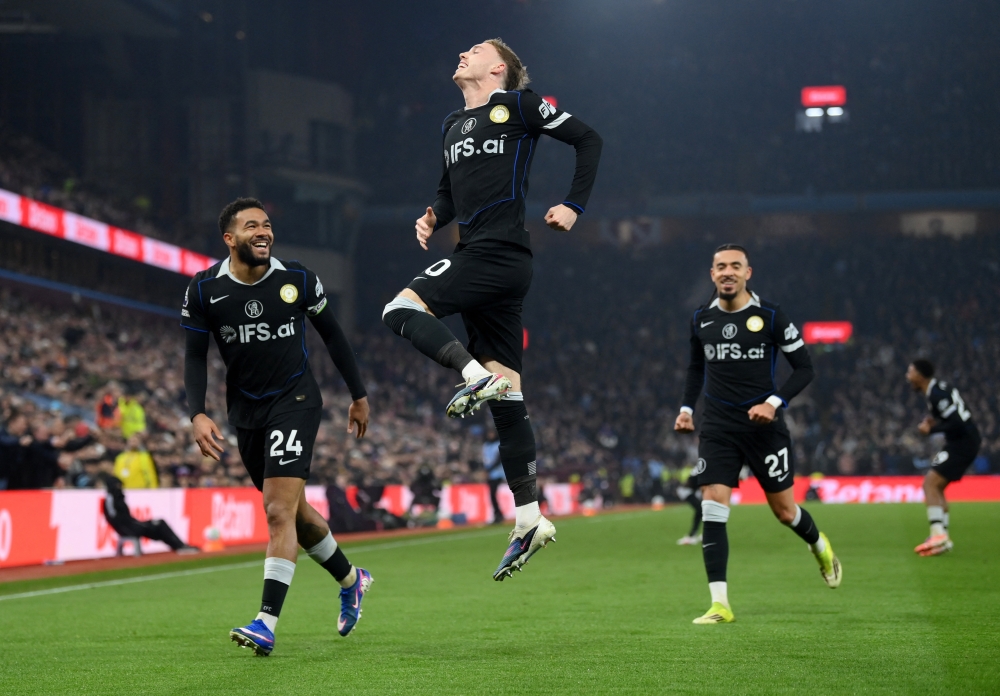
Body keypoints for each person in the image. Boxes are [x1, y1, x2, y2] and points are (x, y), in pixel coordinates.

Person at [380, 39, 602, 580]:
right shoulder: (453, 124)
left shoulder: (521, 105)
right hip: (482, 257)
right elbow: (450, 191)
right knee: (510, 396)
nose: (461, 54)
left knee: (398, 308)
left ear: (498, 67)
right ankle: (530, 518)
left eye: (474, 50)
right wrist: (434, 215)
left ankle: (471, 375)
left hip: (497, 254)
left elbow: (588, 140)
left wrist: (573, 206)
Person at [182, 197, 373, 657]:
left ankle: (265, 623)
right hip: (244, 412)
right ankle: (352, 579)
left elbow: (333, 336)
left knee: (276, 513)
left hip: (296, 400)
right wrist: (197, 412)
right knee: (297, 515)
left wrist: (359, 394)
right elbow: (194, 355)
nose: (263, 232)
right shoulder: (204, 290)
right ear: (230, 239)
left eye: (267, 225)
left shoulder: (298, 279)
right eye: (251, 226)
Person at [674, 244, 841, 625]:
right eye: (721, 267)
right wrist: (686, 409)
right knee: (713, 506)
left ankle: (820, 546)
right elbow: (695, 369)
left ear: (749, 273)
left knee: (784, 512)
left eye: (736, 266)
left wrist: (774, 402)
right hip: (718, 427)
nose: (728, 272)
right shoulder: (701, 318)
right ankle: (720, 604)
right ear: (711, 274)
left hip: (764, 429)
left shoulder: (770, 315)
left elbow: (804, 369)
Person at [905, 359, 982, 556]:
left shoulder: (937, 394)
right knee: (937, 486)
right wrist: (936, 422)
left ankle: (938, 534)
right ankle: (942, 539)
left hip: (962, 443)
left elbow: (958, 423)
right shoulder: (937, 390)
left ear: (920, 376)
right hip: (960, 442)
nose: (907, 376)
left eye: (910, 372)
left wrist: (931, 429)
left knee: (929, 484)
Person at [98, 472, 198, 553]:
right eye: (118, 485)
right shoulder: (111, 500)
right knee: (160, 525)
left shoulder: (117, 498)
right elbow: (115, 519)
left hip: (132, 526)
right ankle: (179, 546)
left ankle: (178, 546)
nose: (120, 488)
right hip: (130, 528)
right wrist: (134, 526)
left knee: (159, 527)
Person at [483, 429, 505, 524]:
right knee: (492, 495)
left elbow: (498, 460)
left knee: (493, 494)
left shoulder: (498, 445)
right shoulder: (485, 446)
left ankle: (498, 514)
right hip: (490, 474)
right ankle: (498, 514)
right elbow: (484, 459)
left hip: (498, 473)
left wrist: (488, 470)